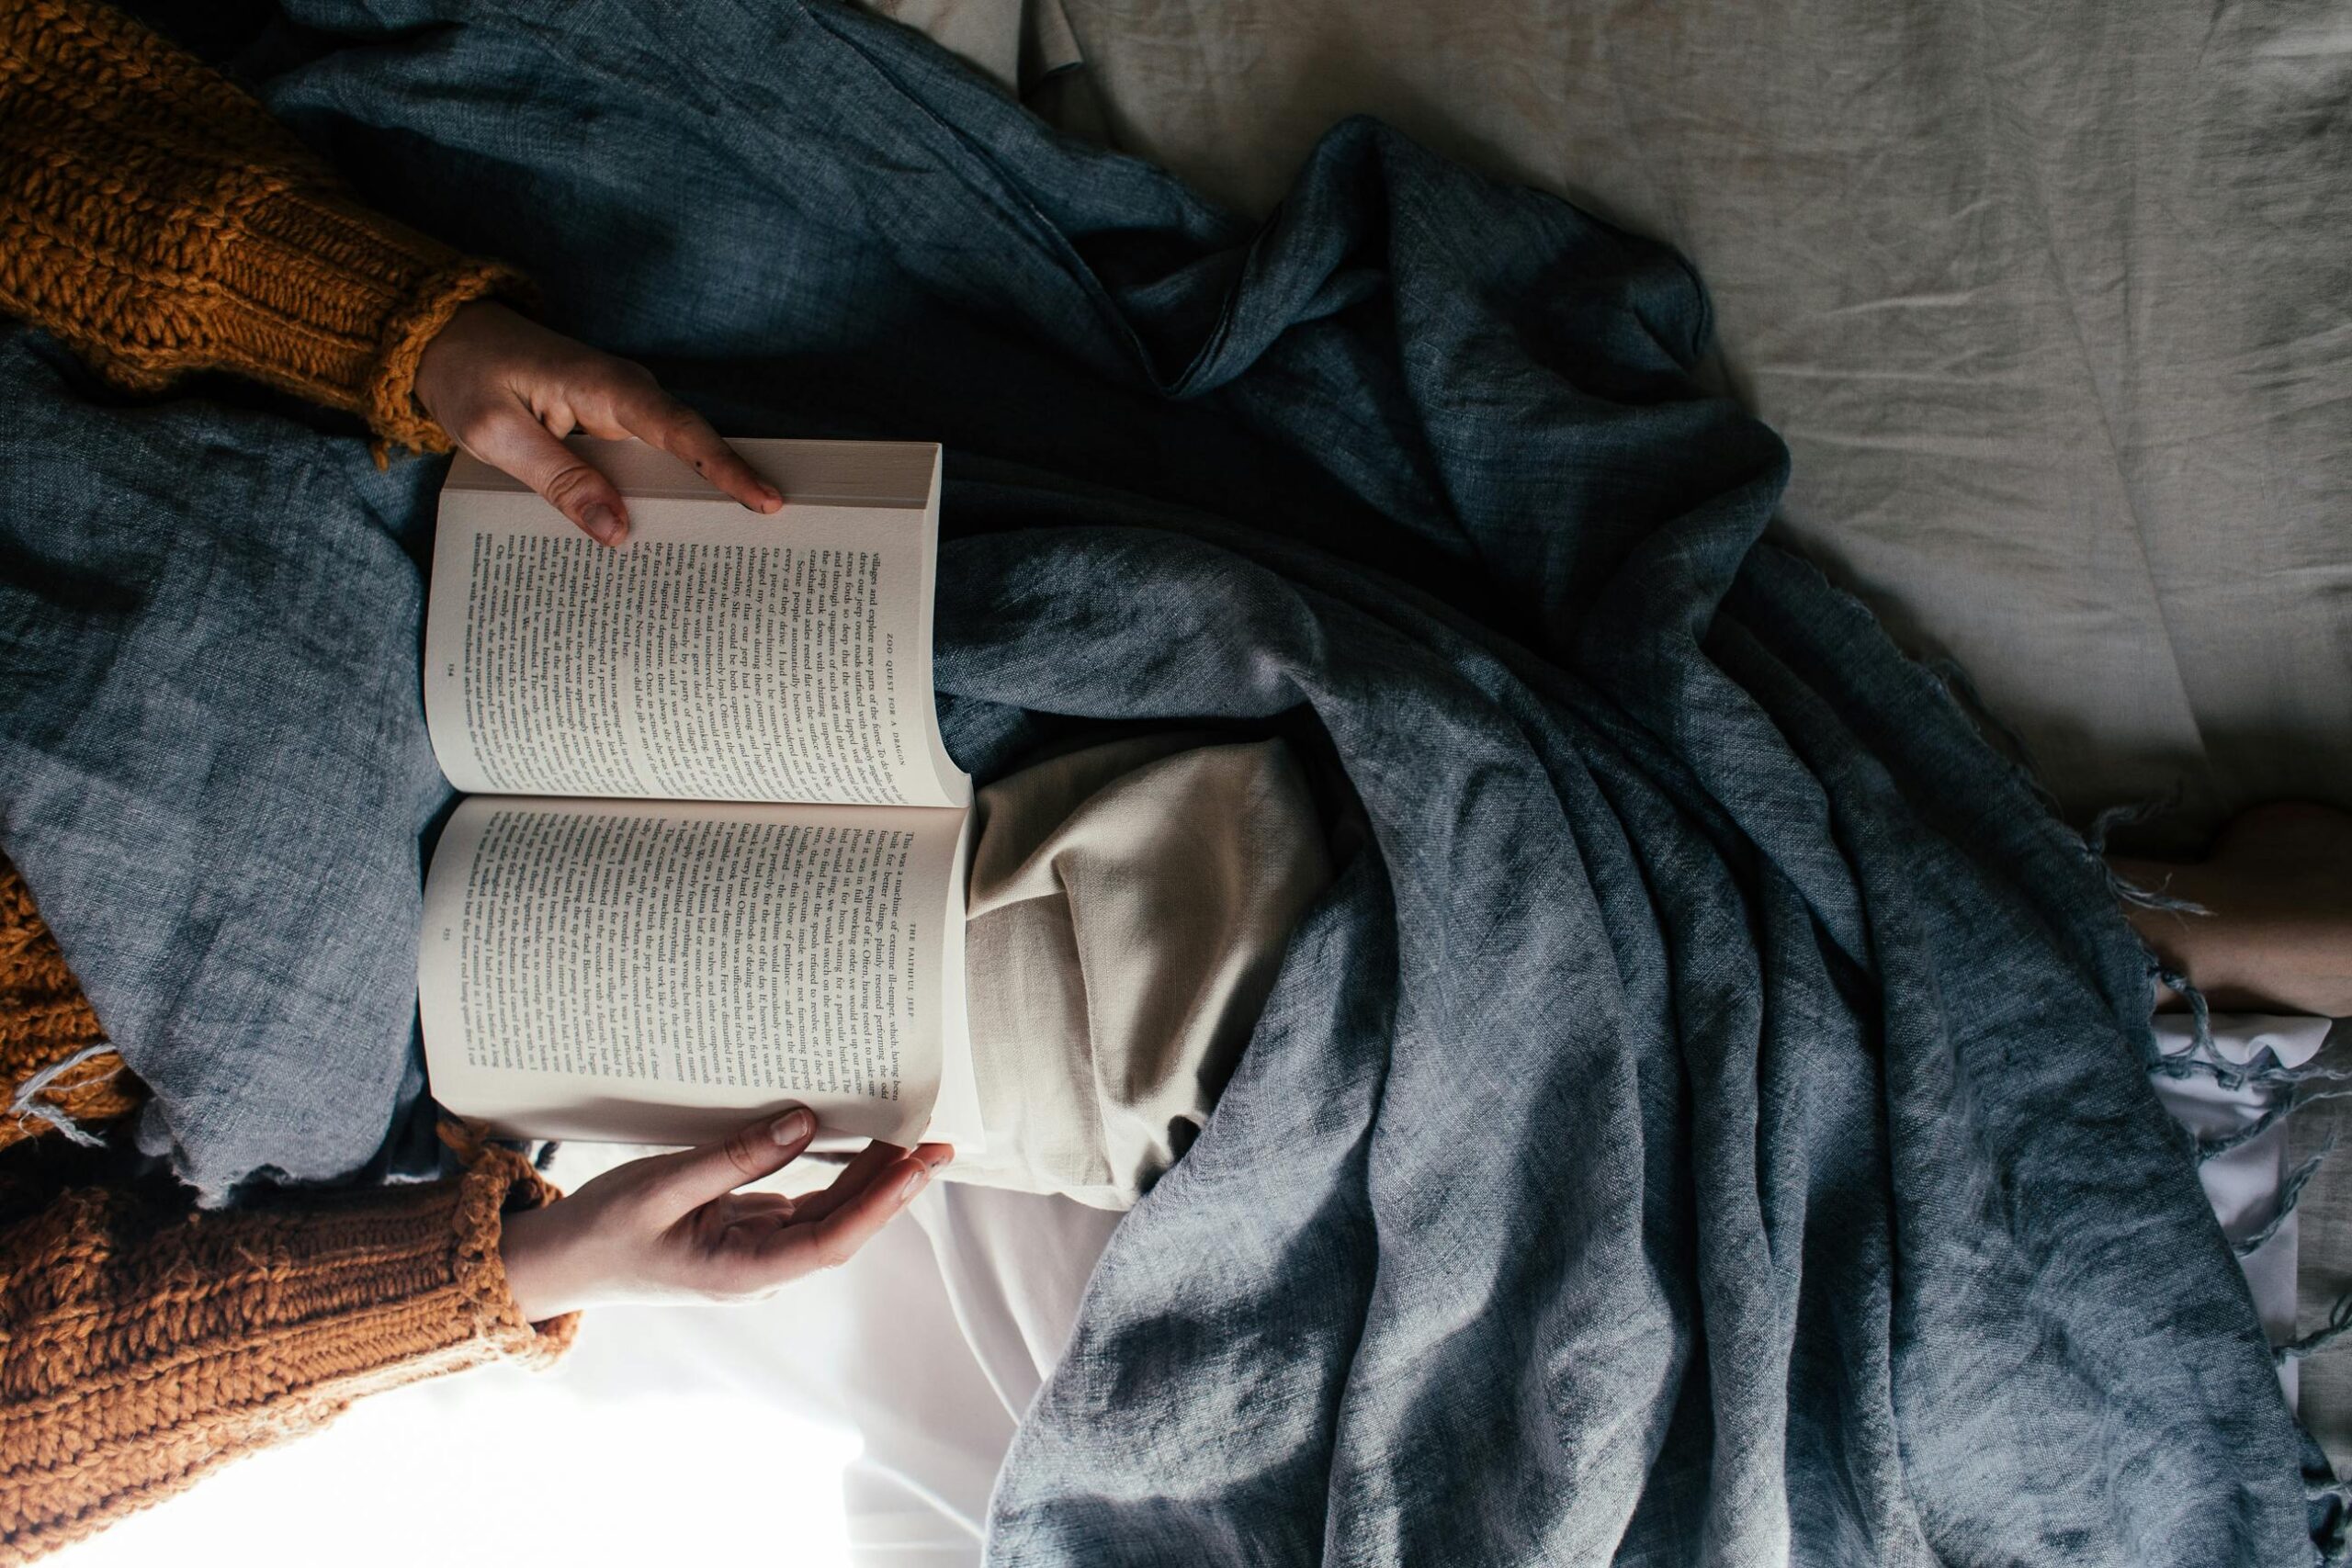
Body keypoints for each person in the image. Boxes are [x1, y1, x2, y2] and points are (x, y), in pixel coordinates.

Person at [0, 0, 2346, 1562]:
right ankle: (2083, 973)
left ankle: (2083, 978)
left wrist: (400, 335)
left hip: (348, 553)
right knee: (1231, 1028)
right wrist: (497, 1269)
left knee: (1263, 789)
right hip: (381, 1023)